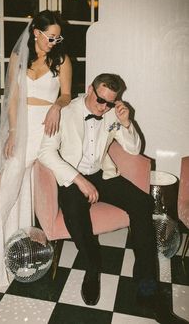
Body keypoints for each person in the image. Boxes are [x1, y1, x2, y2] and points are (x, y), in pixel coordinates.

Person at [38, 73, 188, 324]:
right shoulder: (65, 112)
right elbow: (45, 153)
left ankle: (146, 287)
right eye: (99, 100)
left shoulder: (111, 114)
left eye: (109, 102)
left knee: (142, 203)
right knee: (75, 209)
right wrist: (78, 179)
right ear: (89, 89)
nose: (103, 107)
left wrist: (127, 123)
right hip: (72, 177)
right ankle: (92, 267)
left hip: (101, 174)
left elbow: (134, 149)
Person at [0, 10, 72, 292]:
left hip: (46, 128)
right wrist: (14, 133)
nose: (53, 42)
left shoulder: (62, 60)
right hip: (21, 127)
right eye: (49, 37)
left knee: (3, 184)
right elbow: (13, 98)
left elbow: (67, 94)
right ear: (36, 33)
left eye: (57, 38)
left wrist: (57, 105)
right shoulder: (19, 57)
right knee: (3, 185)